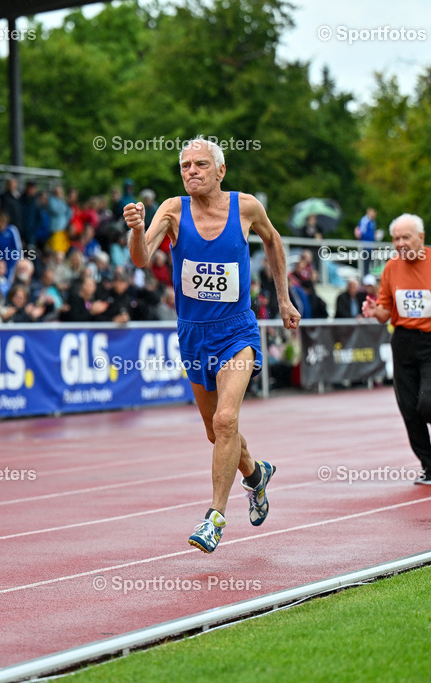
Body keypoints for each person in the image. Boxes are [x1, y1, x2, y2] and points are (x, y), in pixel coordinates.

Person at [124, 135, 299, 553]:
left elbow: (273, 241)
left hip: (236, 331)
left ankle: (214, 519)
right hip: (193, 334)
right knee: (214, 430)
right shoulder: (171, 210)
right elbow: (141, 259)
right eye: (185, 166)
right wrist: (134, 231)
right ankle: (256, 474)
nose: (191, 172)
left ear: (220, 171)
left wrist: (284, 298)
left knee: (225, 420)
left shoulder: (245, 207)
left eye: (200, 165)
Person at [362, 213, 431, 485]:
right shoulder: (391, 268)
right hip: (403, 342)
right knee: (409, 410)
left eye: (406, 237)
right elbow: (385, 313)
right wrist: (373, 311)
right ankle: (429, 465)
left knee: (428, 402)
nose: (400, 243)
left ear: (421, 238)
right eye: (396, 238)